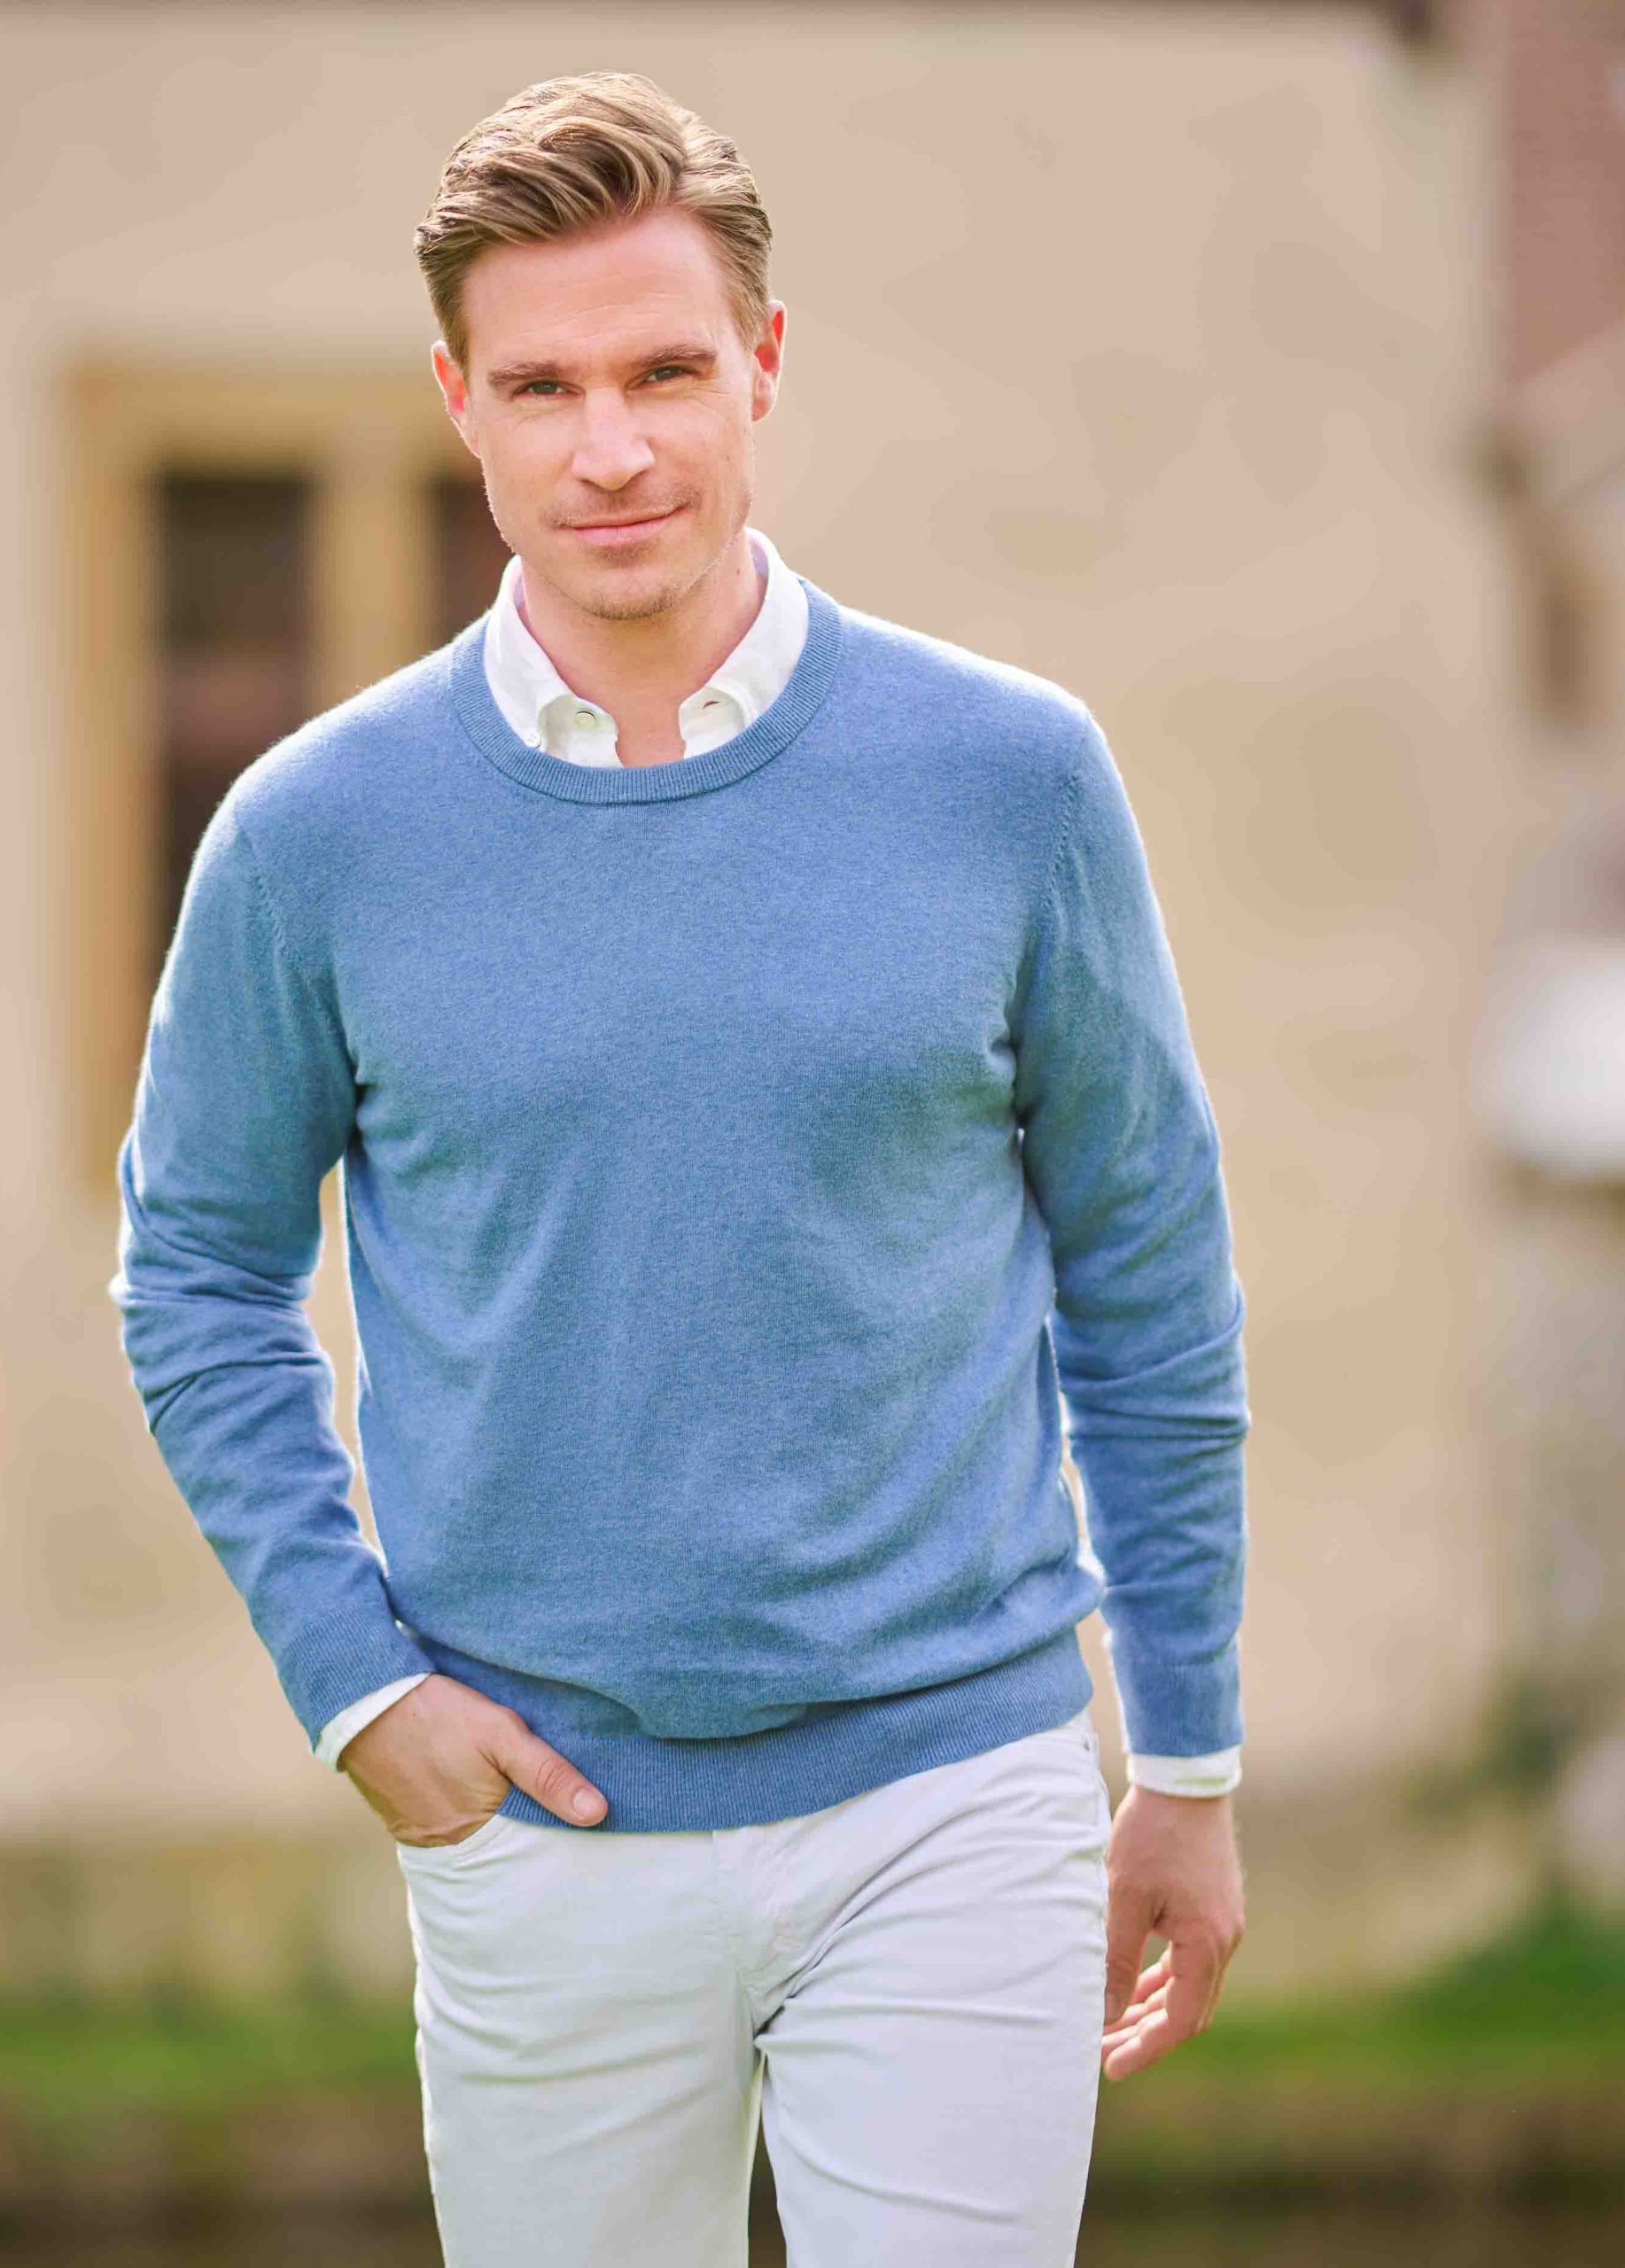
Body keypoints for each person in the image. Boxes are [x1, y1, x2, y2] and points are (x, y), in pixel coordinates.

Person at [109, 68, 1249, 2268]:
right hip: (540, 1820)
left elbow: (1144, 1270)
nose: (608, 446)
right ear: (456, 401)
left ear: (762, 364)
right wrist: (356, 1680)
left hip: (954, 1801)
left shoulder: (1008, 779)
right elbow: (196, 1273)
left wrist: (1183, 1764)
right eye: (542, 386)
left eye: (661, 371)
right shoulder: (314, 836)